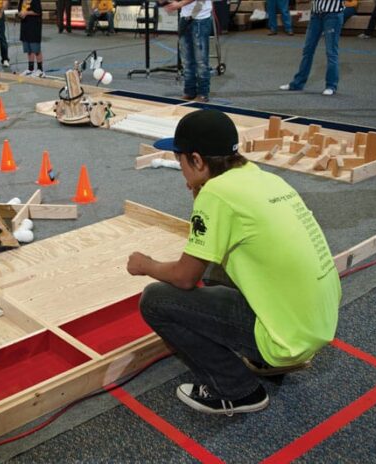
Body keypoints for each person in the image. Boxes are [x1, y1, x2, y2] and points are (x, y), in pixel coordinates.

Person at [127, 109, 340, 416]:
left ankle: (235, 389)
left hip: (288, 337)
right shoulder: (263, 178)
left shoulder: (216, 194)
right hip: (316, 321)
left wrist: (146, 264)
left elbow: (186, 277)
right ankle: (264, 359)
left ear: (198, 161)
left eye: (181, 161)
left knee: (156, 300)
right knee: (218, 264)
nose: (182, 172)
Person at [279, 0, 344, 95]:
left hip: (333, 15)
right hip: (316, 15)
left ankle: (331, 86)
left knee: (331, 52)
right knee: (308, 50)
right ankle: (297, 84)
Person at [164, 0, 212, 102]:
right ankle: (189, 91)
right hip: (185, 19)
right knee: (187, 60)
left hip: (200, 19)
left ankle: (203, 93)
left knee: (201, 61)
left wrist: (179, 4)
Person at [18, 0, 44, 76]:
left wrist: (26, 13)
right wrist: (20, 14)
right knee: (28, 49)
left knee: (36, 49)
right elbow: (20, 9)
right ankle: (30, 69)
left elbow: (38, 11)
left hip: (34, 26)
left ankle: (40, 70)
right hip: (25, 25)